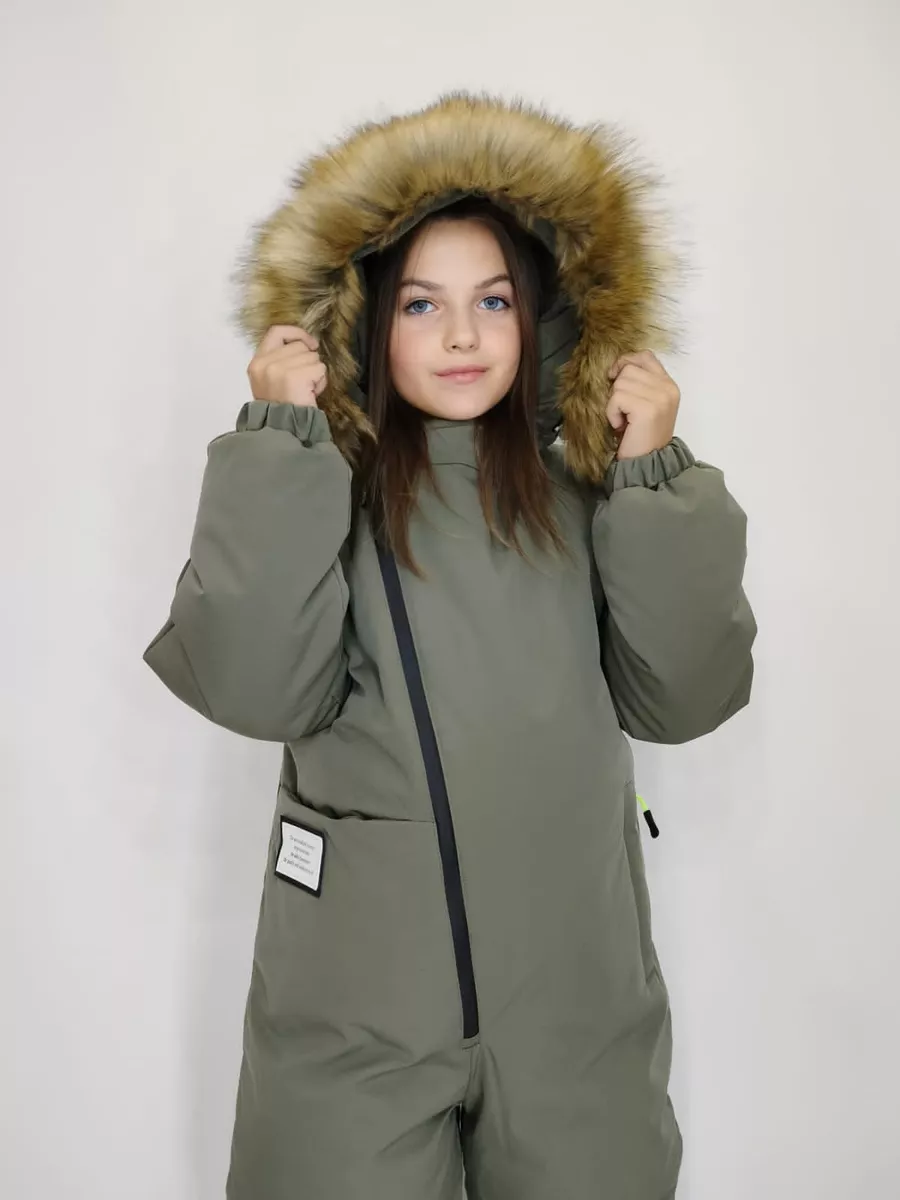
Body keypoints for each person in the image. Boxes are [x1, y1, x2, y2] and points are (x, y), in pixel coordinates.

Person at [144, 93, 756, 1200]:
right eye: (422, 303)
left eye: (494, 301)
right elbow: (253, 687)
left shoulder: (591, 499)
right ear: (364, 321)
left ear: (546, 318)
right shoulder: (319, 491)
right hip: (353, 1011)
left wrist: (653, 475)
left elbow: (686, 697)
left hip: (575, 1004)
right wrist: (280, 442)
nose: (463, 336)